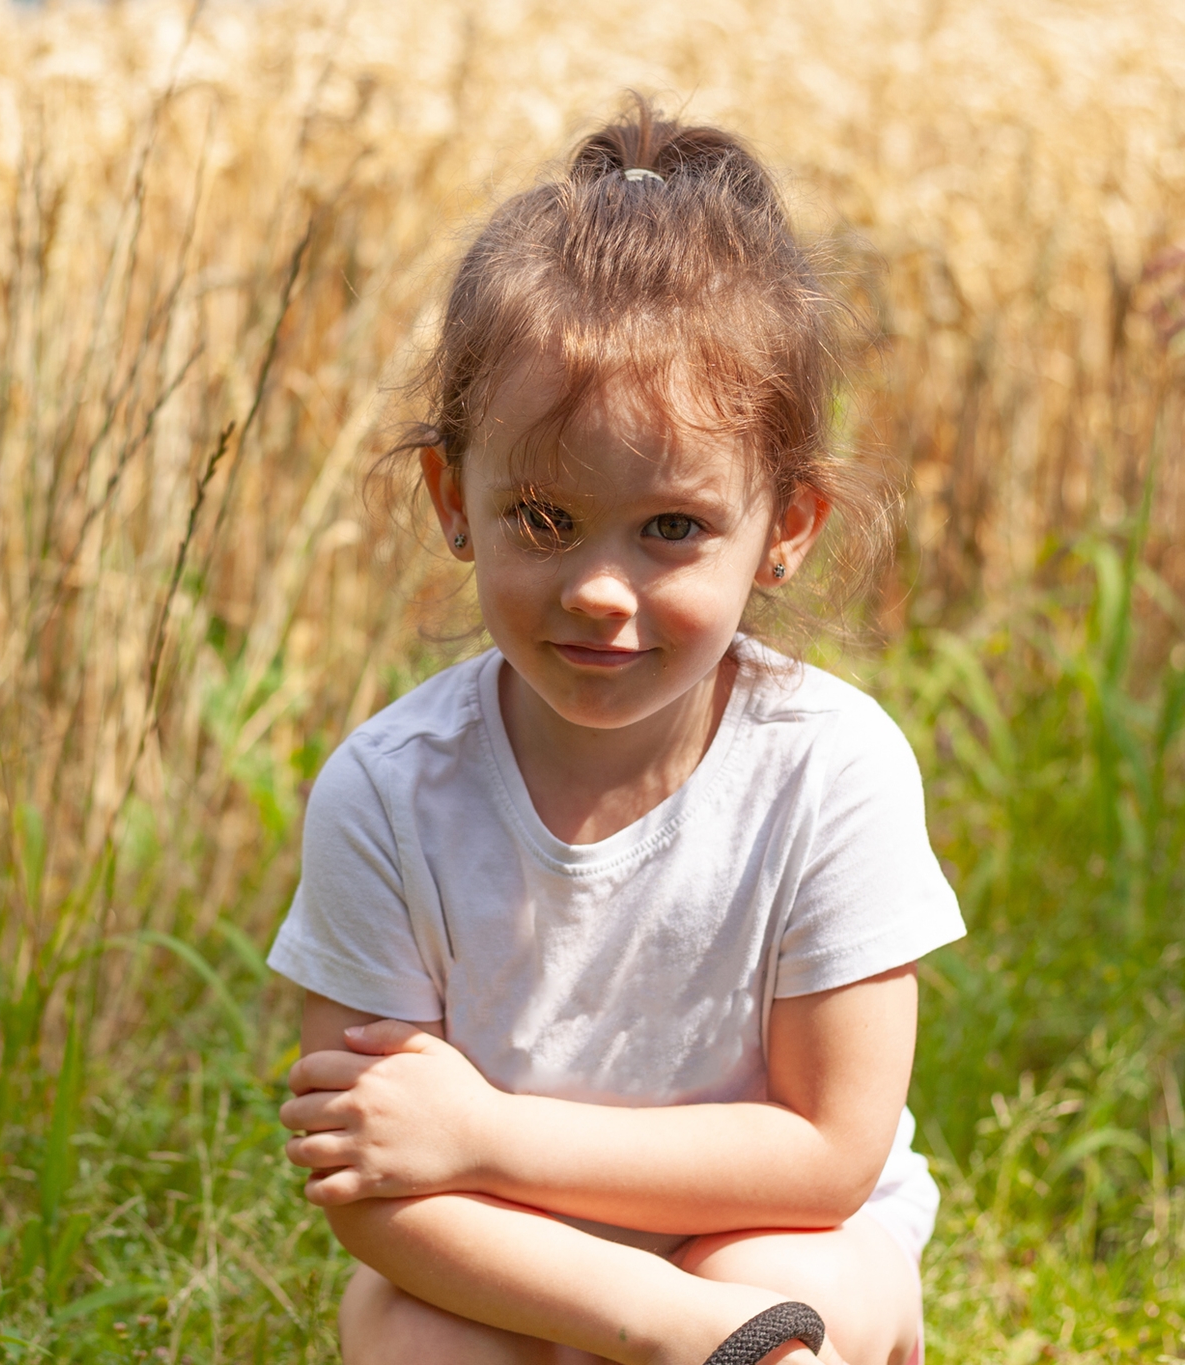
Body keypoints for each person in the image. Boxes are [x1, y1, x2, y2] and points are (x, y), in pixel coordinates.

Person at [268, 101, 965, 1365]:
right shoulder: (384, 794)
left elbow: (822, 1157)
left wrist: (485, 1140)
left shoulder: (828, 768)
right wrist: (661, 1328)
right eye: (542, 517)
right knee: (402, 1332)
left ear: (786, 528)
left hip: (777, 1238)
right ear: (452, 500)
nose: (600, 587)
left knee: (784, 1290)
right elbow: (371, 1177)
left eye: (670, 529)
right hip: (519, 1254)